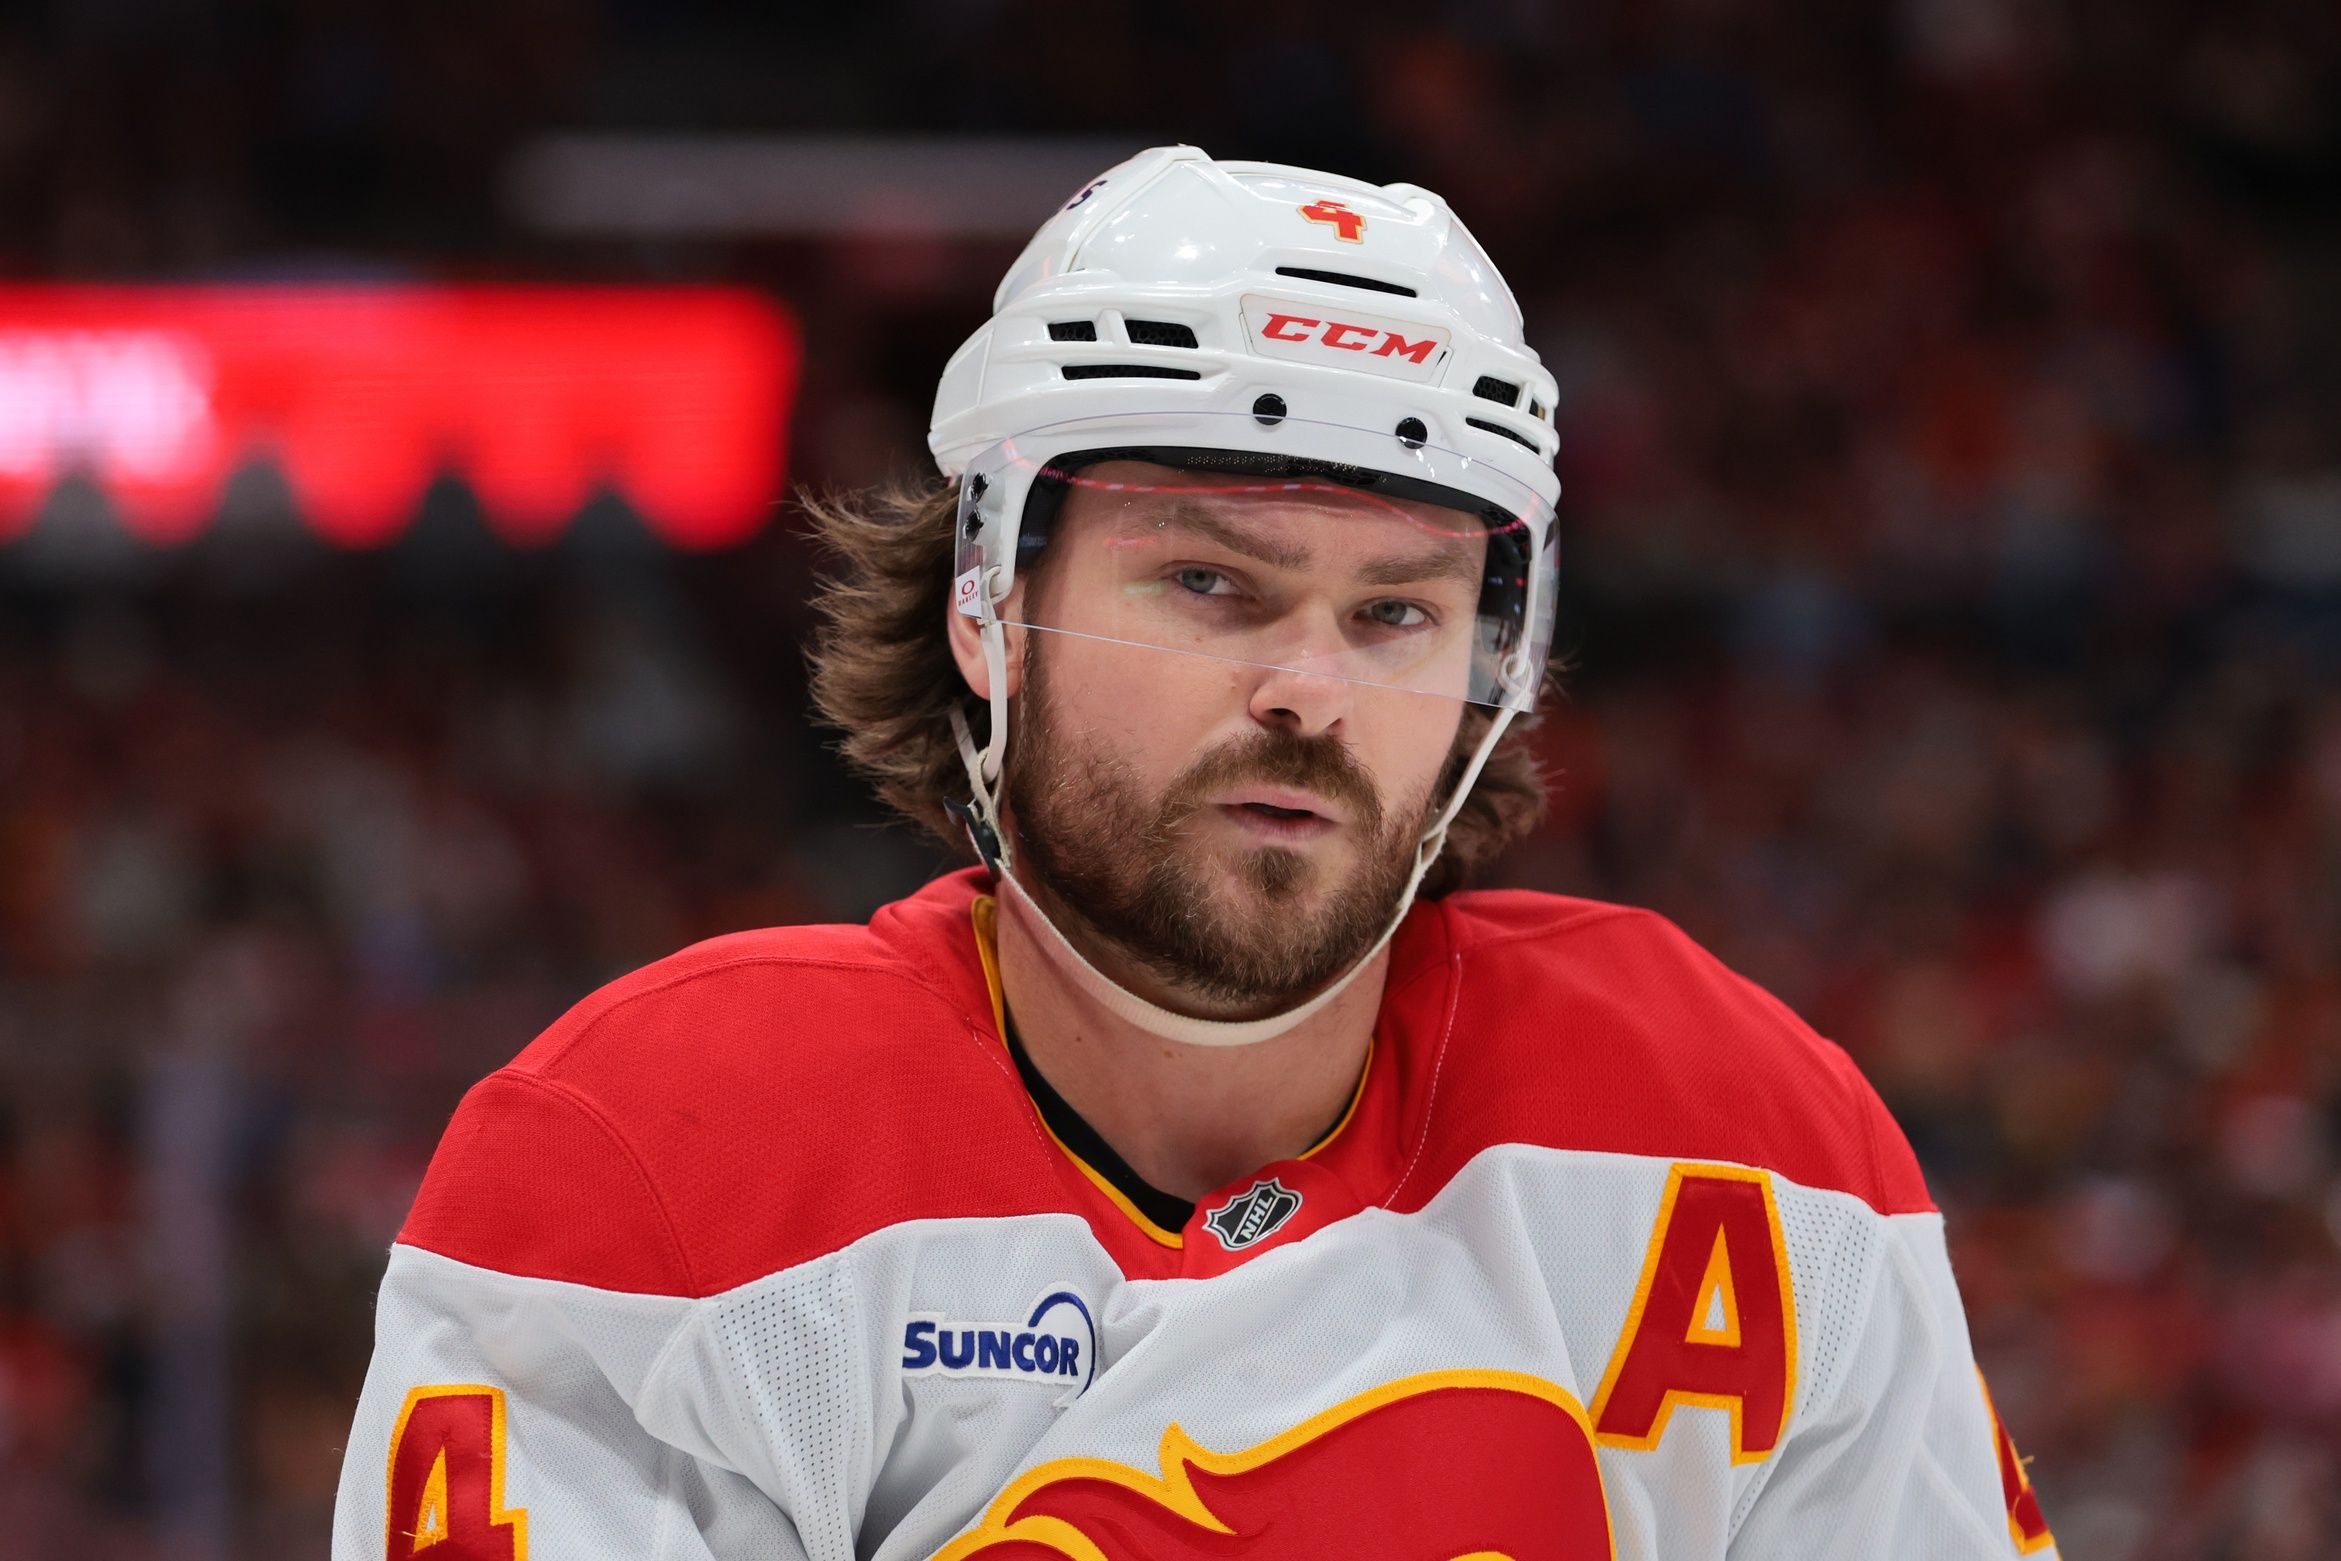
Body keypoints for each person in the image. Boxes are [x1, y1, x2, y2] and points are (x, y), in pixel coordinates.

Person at [332, 145, 2056, 1559]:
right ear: (989, 606)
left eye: (1395, 611)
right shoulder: (649, 1161)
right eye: (1210, 583)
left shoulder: (1751, 1151)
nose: (1309, 686)